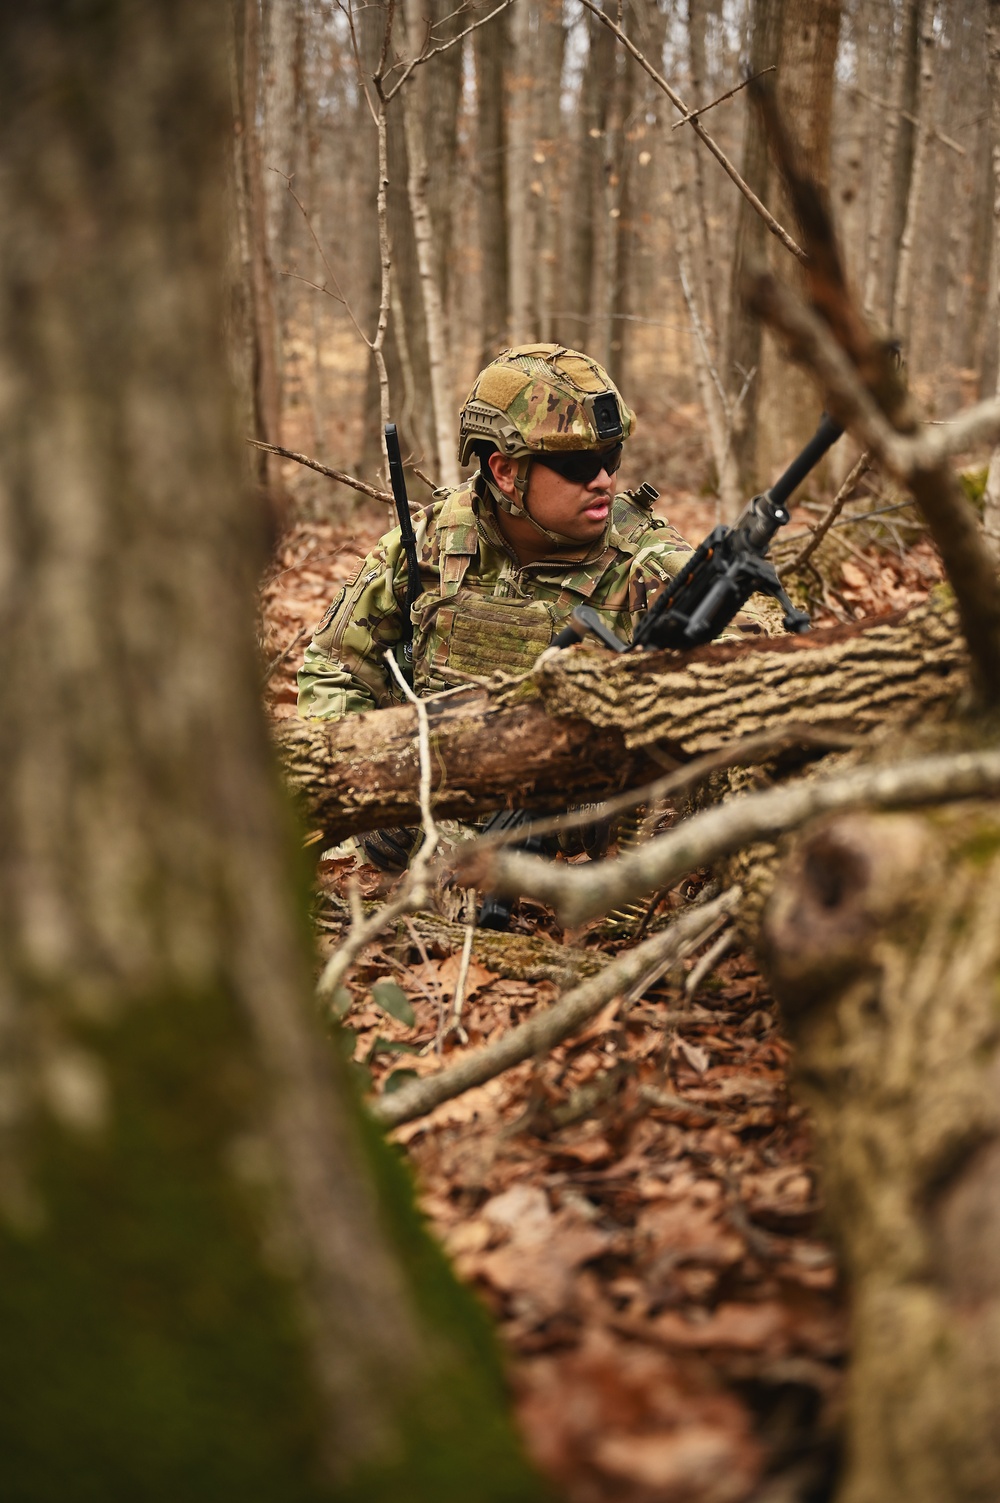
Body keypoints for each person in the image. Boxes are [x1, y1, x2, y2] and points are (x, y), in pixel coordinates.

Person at [297, 342, 701, 723]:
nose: (602, 481)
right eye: (577, 466)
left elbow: (741, 686)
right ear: (505, 471)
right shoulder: (424, 547)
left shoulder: (654, 567)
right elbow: (334, 672)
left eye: (611, 459)